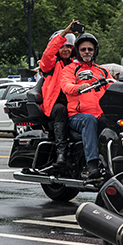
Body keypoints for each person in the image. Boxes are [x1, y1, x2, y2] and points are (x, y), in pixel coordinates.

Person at [59, 32, 113, 179]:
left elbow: (113, 85)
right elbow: (66, 85)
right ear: (78, 52)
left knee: (116, 122)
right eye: (83, 49)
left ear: (95, 51)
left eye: (90, 49)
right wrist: (78, 87)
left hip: (99, 114)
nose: (87, 52)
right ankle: (92, 165)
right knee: (89, 120)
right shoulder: (71, 69)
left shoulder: (102, 70)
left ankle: (115, 161)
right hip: (78, 116)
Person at [39, 23, 77, 166]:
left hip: (74, 104)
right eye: (62, 46)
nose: (66, 49)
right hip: (55, 104)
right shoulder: (50, 64)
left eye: (68, 46)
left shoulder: (74, 65)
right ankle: (61, 152)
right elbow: (48, 53)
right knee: (61, 110)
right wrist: (66, 32)